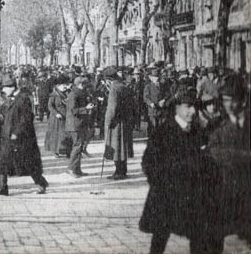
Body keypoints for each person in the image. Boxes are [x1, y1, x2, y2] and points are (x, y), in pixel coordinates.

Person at [140, 87, 222, 254]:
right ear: (177, 107)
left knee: (198, 238)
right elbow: (148, 162)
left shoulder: (198, 132)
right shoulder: (163, 132)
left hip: (193, 197)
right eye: (187, 106)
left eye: (194, 107)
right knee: (160, 238)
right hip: (166, 196)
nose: (192, 111)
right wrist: (161, 184)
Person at [208, 75, 251, 245]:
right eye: (226, 100)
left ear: (243, 100)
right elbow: (214, 152)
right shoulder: (218, 126)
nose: (230, 105)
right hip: (231, 187)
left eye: (234, 100)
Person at [0, 77, 48, 196]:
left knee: (29, 162)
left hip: (22, 138)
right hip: (7, 136)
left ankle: (41, 184)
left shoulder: (23, 99)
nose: (4, 91)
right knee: (3, 161)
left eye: (5, 89)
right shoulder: (9, 99)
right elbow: (5, 115)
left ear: (12, 88)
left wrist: (17, 133)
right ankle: (2, 187)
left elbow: (26, 118)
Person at [102, 66, 135, 180]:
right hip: (125, 119)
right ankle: (123, 170)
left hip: (117, 122)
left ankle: (119, 171)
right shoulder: (123, 86)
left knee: (116, 146)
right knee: (123, 145)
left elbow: (112, 108)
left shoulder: (114, 89)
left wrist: (108, 121)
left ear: (108, 79)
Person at [65, 75, 95, 177]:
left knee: (79, 146)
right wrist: (85, 108)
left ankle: (77, 169)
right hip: (75, 124)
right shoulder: (73, 94)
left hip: (80, 123)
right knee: (77, 147)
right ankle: (71, 169)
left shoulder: (80, 93)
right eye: (85, 84)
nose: (87, 86)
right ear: (80, 84)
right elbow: (73, 110)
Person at [44, 79, 70, 157]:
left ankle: (66, 150)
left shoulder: (67, 93)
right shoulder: (54, 95)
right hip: (56, 118)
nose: (65, 86)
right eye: (63, 85)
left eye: (65, 84)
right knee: (56, 135)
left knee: (66, 134)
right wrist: (56, 113)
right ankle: (56, 151)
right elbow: (50, 106)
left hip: (65, 116)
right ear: (58, 86)